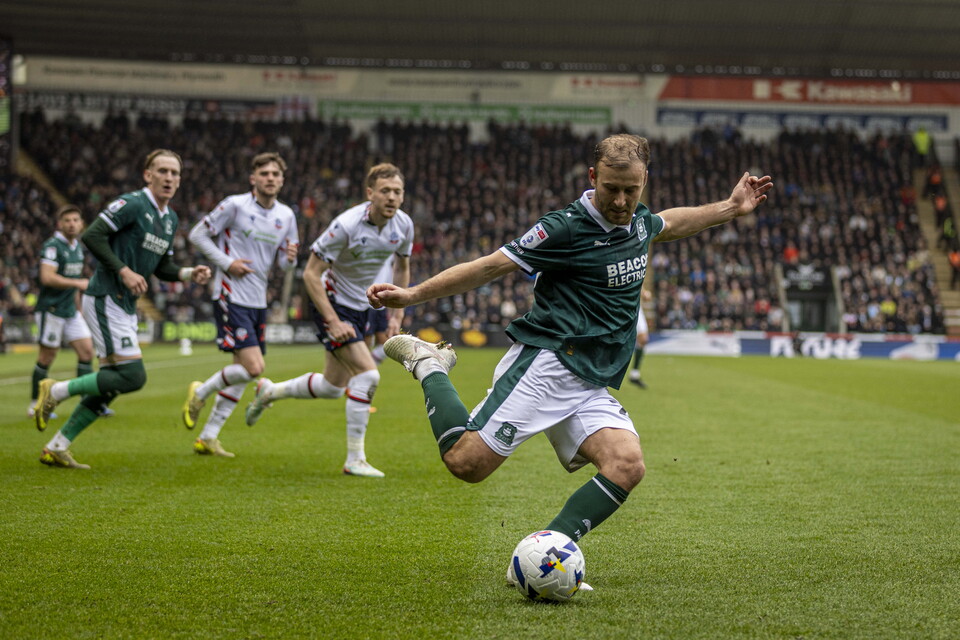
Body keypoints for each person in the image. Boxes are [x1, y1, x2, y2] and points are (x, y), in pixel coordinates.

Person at [367, 134, 771, 587]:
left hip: (589, 380)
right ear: (593, 177)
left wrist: (731, 208)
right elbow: (489, 266)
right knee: (466, 463)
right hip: (548, 363)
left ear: (644, 182)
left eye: (631, 190)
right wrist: (414, 294)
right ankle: (429, 365)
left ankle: (548, 556)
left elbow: (669, 223)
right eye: (611, 189)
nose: (620, 201)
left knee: (626, 464)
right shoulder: (564, 227)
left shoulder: (637, 220)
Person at [34, 149, 212, 468]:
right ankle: (57, 390)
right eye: (162, 171)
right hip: (105, 295)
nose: (169, 178)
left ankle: (57, 446)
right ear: (148, 174)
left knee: (114, 382)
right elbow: (93, 235)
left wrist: (188, 273)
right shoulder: (132, 203)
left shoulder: (170, 219)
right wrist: (123, 270)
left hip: (124, 304)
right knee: (132, 376)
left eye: (175, 173)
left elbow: (163, 267)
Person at [245, 163, 413, 478]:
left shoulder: (403, 225)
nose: (392, 197)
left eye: (397, 192)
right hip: (330, 302)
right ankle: (355, 459)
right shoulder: (346, 225)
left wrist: (396, 314)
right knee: (368, 375)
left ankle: (270, 391)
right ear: (370, 194)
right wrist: (333, 320)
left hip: (362, 306)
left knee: (333, 386)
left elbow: (402, 269)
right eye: (385, 191)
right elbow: (310, 274)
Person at [181, 152, 299, 457]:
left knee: (242, 371)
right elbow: (197, 235)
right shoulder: (234, 205)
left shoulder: (286, 215)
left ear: (282, 181)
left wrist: (290, 259)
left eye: (276, 174)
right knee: (254, 368)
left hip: (258, 299)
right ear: (253, 178)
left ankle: (208, 436)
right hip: (230, 293)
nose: (270, 178)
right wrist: (228, 263)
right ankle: (201, 391)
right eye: (265, 173)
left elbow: (285, 266)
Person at [28, 204, 113, 419]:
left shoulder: (77, 247)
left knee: (86, 352)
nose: (72, 224)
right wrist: (78, 283)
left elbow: (74, 286)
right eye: (67, 220)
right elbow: (46, 277)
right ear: (60, 224)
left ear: (82, 223)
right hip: (51, 310)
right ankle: (35, 404)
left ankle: (87, 402)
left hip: (70, 311)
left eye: (76, 220)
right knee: (47, 356)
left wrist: (79, 310)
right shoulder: (53, 246)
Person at [628, 286, 652, 388]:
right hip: (620, 304)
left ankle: (634, 374)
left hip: (635, 306)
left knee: (643, 339)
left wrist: (643, 292)